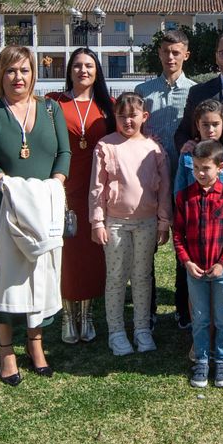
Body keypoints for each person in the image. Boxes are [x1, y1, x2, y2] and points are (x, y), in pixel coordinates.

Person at [0, 45, 69, 385]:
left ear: (34, 73)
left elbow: (63, 151)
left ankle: (35, 344)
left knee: (41, 272)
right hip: (7, 206)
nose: (18, 77)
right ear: (1, 74)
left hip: (44, 205)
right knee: (8, 275)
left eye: (24, 70)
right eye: (11, 71)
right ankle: (6, 350)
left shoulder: (50, 110)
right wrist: (8, 187)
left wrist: (54, 186)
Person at [89, 92, 172, 356]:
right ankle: (116, 331)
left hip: (146, 223)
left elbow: (164, 188)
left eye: (133, 116)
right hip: (115, 223)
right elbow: (97, 187)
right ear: (115, 117)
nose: (127, 121)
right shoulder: (105, 146)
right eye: (122, 116)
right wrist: (97, 221)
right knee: (115, 277)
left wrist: (163, 221)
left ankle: (142, 329)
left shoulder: (154, 147)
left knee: (142, 277)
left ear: (144, 117)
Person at [47, 47, 114, 343]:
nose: (83, 71)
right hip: (63, 188)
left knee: (91, 255)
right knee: (65, 255)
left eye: (89, 65)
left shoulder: (109, 106)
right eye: (77, 66)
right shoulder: (53, 103)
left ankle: (86, 315)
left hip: (98, 192)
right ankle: (66, 315)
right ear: (69, 70)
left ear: (97, 71)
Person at [137, 30, 197, 328]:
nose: (170, 57)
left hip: (185, 180)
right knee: (147, 248)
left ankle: (183, 309)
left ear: (186, 54)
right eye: (165, 52)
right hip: (149, 181)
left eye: (176, 52)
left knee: (183, 247)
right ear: (159, 54)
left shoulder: (196, 91)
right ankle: (146, 309)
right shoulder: (143, 90)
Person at [174, 140, 223, 389]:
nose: (201, 174)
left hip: (221, 271)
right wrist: (187, 262)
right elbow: (178, 235)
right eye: (196, 168)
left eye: (206, 168)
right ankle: (201, 360)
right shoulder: (184, 197)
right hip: (196, 271)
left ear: (220, 167)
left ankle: (222, 360)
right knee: (201, 318)